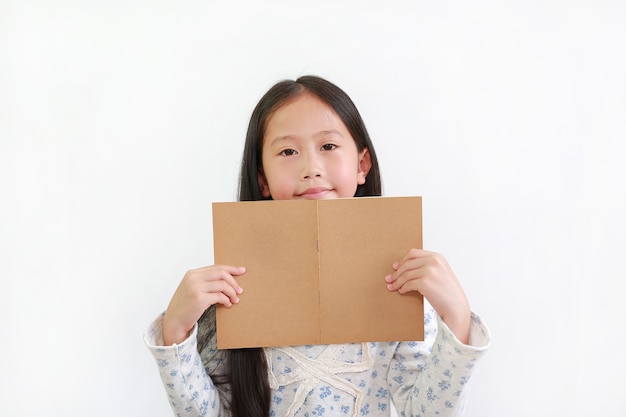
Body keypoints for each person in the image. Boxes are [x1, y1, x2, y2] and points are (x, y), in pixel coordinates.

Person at [144, 75, 490, 417]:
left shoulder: (398, 283)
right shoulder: (235, 289)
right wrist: (175, 334)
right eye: (288, 151)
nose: (311, 168)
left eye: (328, 146)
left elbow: (427, 413)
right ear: (262, 178)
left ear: (361, 164)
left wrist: (457, 319)